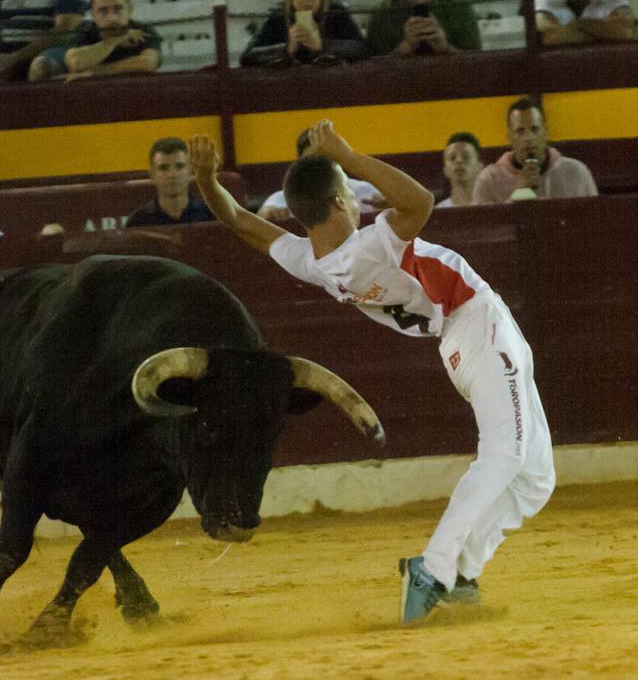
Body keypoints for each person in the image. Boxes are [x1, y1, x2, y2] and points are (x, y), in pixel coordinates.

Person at [189, 120, 555, 623]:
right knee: (505, 452)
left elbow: (239, 220)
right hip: (475, 326)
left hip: (462, 339)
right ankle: (434, 567)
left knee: (534, 475)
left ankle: (462, 571)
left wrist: (207, 180)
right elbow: (421, 202)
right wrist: (352, 156)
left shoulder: (313, 262)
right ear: (341, 201)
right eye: (349, 187)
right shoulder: (371, 245)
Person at [240, 0, 368, 67]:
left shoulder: (336, 13)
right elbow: (247, 57)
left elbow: (362, 49)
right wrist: (286, 49)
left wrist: (322, 45)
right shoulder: (278, 18)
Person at [29, 0, 161, 82]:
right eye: (103, 11)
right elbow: (75, 62)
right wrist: (113, 41)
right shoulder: (84, 31)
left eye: (118, 9)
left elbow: (148, 62)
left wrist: (95, 72)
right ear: (93, 15)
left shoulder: (143, 30)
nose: (112, 18)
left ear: (129, 10)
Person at [471, 96, 597, 203]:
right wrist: (519, 193)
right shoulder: (489, 181)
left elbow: (596, 221)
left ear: (546, 132)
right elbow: (483, 229)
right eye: (520, 131)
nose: (529, 138)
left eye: (535, 129)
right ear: (509, 137)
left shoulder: (577, 173)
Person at [258, 127, 383, 221]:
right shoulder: (281, 199)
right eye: (312, 160)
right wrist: (264, 216)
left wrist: (392, 206)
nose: (319, 167)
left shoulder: (367, 192)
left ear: (338, 160)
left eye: (325, 159)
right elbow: (256, 228)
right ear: (300, 164)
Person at [125, 137, 217, 227]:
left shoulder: (212, 215)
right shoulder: (138, 222)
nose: (172, 175)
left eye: (179, 166)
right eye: (163, 168)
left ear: (190, 171)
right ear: (152, 174)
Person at [437, 131, 483, 207]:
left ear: (480, 167)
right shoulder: (438, 212)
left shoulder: (494, 207)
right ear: (445, 170)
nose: (459, 161)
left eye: (466, 157)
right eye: (452, 158)